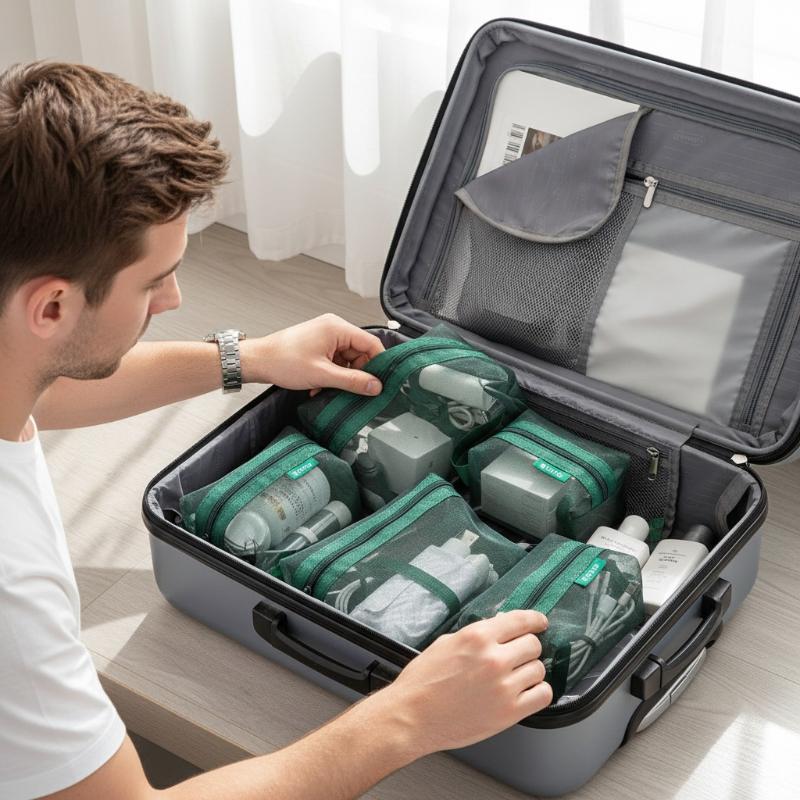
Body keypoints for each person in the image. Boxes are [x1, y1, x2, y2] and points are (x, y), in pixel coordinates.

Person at [0, 61, 552, 800]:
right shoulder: (12, 591)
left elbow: (47, 383)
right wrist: (409, 717)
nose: (175, 298)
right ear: (51, 307)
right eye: (153, 281)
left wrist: (249, 357)